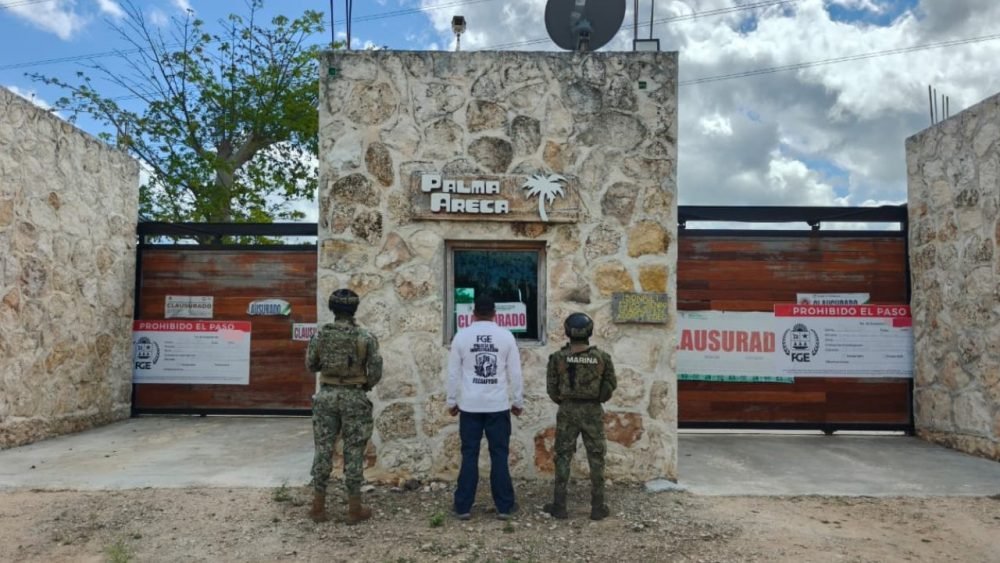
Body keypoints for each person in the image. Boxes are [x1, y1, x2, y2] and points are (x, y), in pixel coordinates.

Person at [306, 288, 382, 524]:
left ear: (332, 308)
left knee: (323, 448)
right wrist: (363, 385)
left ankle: (318, 506)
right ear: (355, 309)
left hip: (326, 395)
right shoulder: (365, 337)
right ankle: (354, 508)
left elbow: (311, 365)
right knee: (354, 450)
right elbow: (376, 370)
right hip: (354, 396)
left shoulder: (320, 336)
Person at [446, 294, 524, 520]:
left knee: (469, 454)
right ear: (495, 314)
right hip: (497, 405)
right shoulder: (506, 336)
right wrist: (517, 401)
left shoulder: (462, 336)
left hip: (470, 406)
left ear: (473, 314)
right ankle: (504, 506)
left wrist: (452, 401)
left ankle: (463, 506)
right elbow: (515, 373)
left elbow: (453, 373)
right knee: (499, 454)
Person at [544, 312, 617, 520]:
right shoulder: (602, 358)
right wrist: (596, 399)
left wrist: (565, 401)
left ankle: (559, 505)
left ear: (567, 332)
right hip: (592, 411)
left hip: (567, 411)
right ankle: (597, 506)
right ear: (590, 331)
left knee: (563, 456)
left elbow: (551, 388)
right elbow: (610, 386)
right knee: (596, 457)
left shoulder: (558, 358)